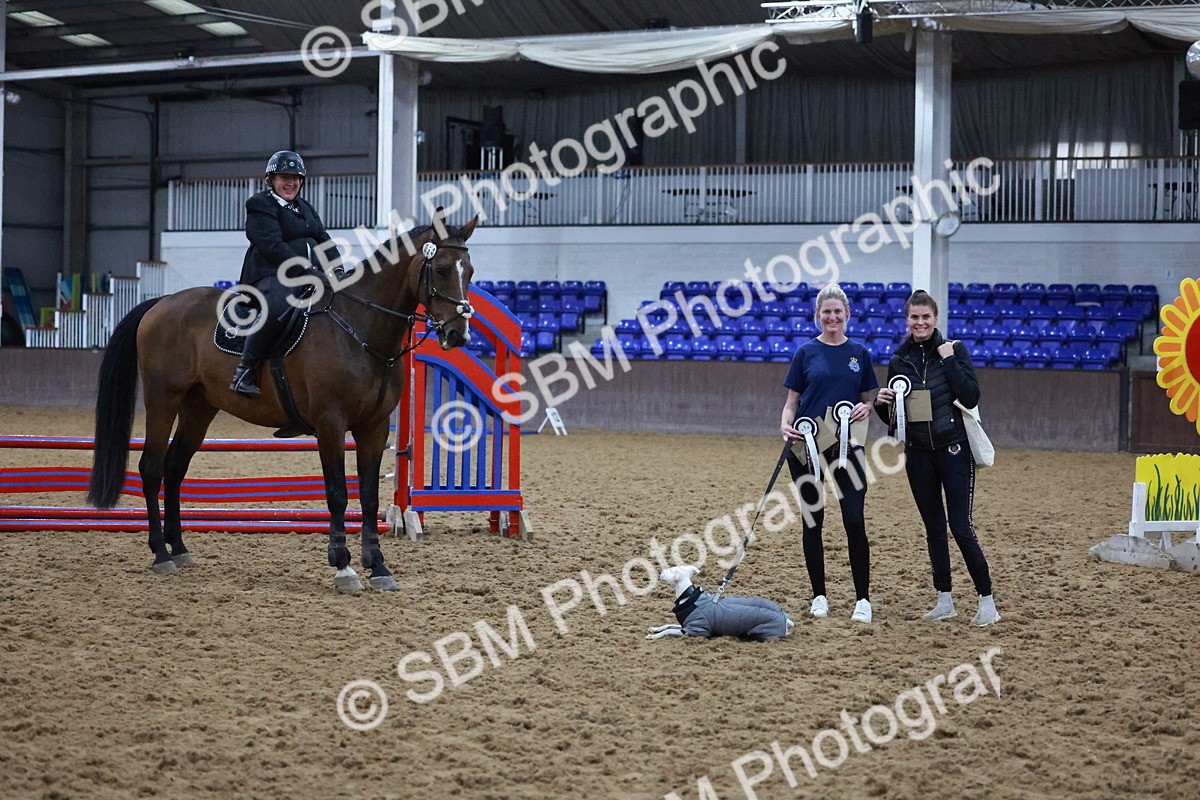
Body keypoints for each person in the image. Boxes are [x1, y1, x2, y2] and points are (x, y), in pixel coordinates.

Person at [874, 290, 1000, 627]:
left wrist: (947, 359)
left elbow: (971, 395)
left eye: (925, 317)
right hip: (917, 455)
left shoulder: (955, 350)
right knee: (933, 528)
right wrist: (881, 404)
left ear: (935, 318)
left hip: (955, 450)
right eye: (914, 318)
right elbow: (895, 419)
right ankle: (944, 599)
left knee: (960, 526)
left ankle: (986, 600)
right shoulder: (899, 360)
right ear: (907, 320)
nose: (920, 323)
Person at [780, 283, 879, 623]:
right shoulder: (805, 352)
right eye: (827, 312)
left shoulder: (860, 354)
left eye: (838, 311)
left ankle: (862, 600)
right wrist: (785, 426)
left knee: (854, 520)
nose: (832, 317)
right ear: (817, 316)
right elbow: (792, 402)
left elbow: (870, 397)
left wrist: (866, 406)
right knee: (813, 521)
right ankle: (819, 595)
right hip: (807, 448)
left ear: (847, 315)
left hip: (848, 447)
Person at [229, 150, 342, 396]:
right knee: (280, 305)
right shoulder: (259, 204)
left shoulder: (306, 207)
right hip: (270, 275)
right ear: (271, 179)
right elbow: (273, 247)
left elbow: (324, 240)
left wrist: (337, 269)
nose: (291, 183)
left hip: (311, 275)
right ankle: (244, 371)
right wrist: (308, 271)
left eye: (296, 177)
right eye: (284, 177)